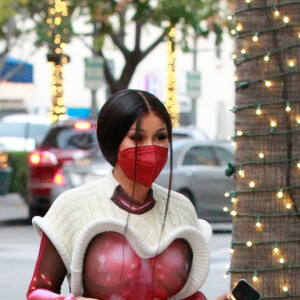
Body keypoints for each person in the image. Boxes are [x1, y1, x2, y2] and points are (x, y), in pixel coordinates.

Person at [27, 89, 234, 300]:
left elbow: (187, 296)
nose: (151, 148)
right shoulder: (72, 206)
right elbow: (37, 292)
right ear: (113, 141)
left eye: (160, 137)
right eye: (137, 137)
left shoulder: (181, 209)